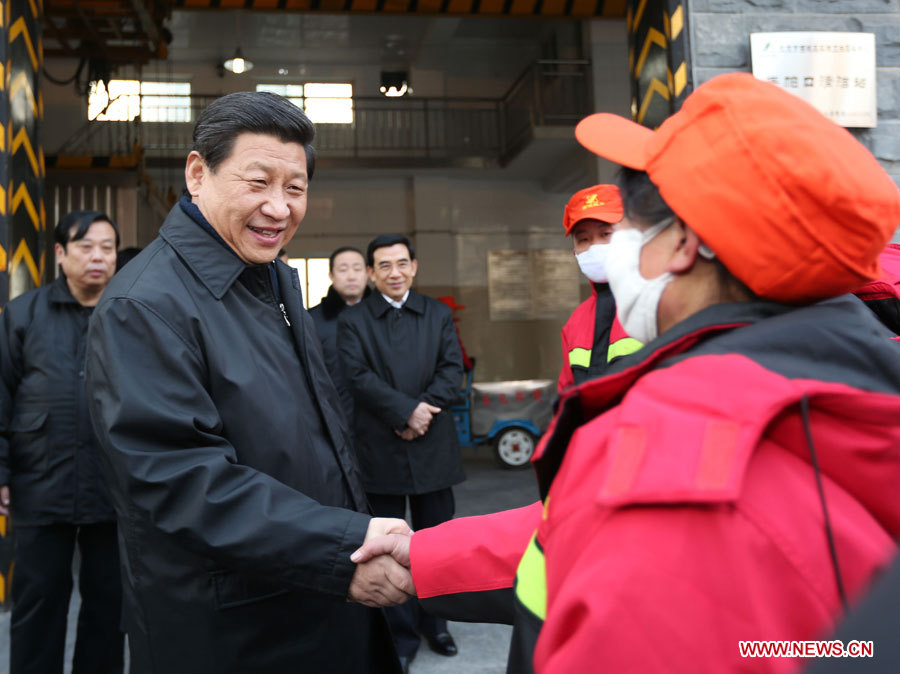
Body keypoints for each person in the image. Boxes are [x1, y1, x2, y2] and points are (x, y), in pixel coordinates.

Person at [354, 73, 900, 673]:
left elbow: (636, 526)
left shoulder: (689, 448)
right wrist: (426, 554)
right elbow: (586, 526)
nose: (613, 248)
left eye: (632, 223)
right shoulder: (845, 372)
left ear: (687, 242)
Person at [84, 91, 412, 674]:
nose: (279, 208)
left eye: (295, 188)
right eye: (257, 182)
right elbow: (185, 482)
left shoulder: (273, 280)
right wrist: (340, 548)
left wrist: (347, 539)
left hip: (312, 595)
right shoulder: (146, 305)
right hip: (234, 629)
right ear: (196, 173)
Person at [0, 210, 124, 673]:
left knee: (109, 606)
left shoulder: (129, 313)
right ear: (59, 254)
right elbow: (1, 395)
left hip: (113, 486)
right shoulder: (22, 314)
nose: (98, 257)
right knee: (38, 602)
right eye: (85, 247)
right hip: (40, 480)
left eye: (107, 248)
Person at [338, 233, 465, 672]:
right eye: (383, 266)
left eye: (401, 263)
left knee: (438, 543)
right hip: (381, 448)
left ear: (414, 266)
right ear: (372, 274)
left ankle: (438, 624)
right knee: (389, 547)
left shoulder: (437, 314)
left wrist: (423, 413)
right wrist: (404, 412)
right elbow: (356, 376)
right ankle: (402, 633)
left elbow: (453, 370)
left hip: (432, 449)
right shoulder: (355, 322)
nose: (394, 272)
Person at [557, 184, 641, 392]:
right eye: (584, 239)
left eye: (606, 234)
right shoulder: (575, 322)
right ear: (574, 250)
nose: (594, 247)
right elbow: (566, 395)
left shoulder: (657, 305)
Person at [309, 246, 370, 418]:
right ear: (331, 276)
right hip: (331, 415)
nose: (351, 276)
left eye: (357, 269)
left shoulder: (383, 316)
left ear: (368, 273)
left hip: (380, 422)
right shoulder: (311, 320)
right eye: (343, 269)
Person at [436, 296, 474, 372]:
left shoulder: (430, 327)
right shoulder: (449, 328)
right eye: (453, 311)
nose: (455, 313)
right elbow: (459, 349)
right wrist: (469, 365)